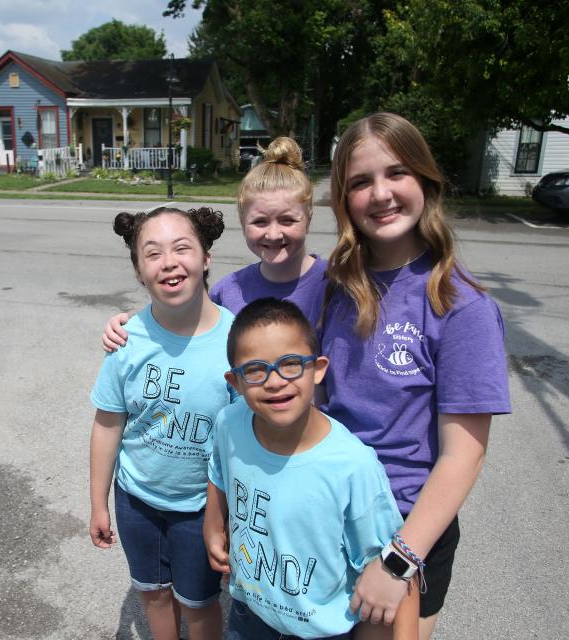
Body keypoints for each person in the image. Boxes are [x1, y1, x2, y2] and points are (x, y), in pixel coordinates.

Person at [322, 113, 512, 639]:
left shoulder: (460, 305)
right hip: (327, 511)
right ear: (343, 199)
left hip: (404, 529)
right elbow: (244, 303)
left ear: (425, 181)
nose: (380, 193)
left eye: (397, 173)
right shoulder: (334, 286)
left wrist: (398, 561)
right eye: (360, 181)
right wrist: (145, 321)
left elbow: (463, 453)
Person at [205, 298, 417, 640]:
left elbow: (390, 570)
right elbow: (218, 472)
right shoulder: (229, 422)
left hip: (321, 632)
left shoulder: (352, 465)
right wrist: (212, 526)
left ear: (317, 369)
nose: (275, 381)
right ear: (236, 382)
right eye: (255, 369)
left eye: (290, 363)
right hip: (248, 615)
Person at [88, 206, 232, 640]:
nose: (168, 261)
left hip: (202, 508)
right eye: (152, 254)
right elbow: (108, 425)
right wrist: (98, 502)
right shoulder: (128, 340)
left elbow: (248, 437)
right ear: (139, 272)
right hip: (136, 501)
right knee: (153, 593)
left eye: (182, 248)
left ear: (206, 257)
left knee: (200, 603)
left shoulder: (237, 342)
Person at [101, 136, 327, 350]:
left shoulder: (336, 285)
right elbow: (182, 323)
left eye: (287, 220)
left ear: (308, 218)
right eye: (260, 221)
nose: (274, 233)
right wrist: (132, 325)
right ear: (242, 222)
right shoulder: (228, 291)